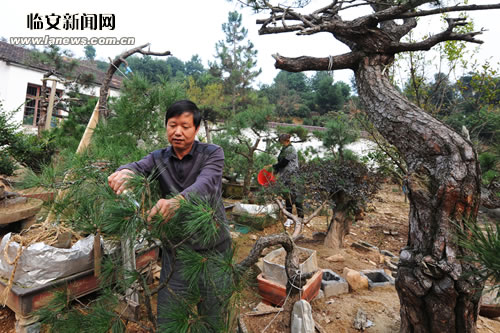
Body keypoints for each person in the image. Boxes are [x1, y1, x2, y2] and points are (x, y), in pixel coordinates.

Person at [108, 100, 231, 331]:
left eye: (185, 126)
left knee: (214, 318)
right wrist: (124, 172)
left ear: (196, 129)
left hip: (214, 251)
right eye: (172, 125)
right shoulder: (158, 158)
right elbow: (137, 166)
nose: (177, 132)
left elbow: (207, 183)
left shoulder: (213, 154)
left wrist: (178, 201)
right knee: (170, 319)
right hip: (176, 253)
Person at [272, 133, 304, 220]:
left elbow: (284, 162)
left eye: (282, 141)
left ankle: (301, 217)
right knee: (287, 196)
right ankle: (289, 218)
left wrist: (273, 166)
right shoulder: (284, 149)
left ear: (287, 141)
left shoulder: (291, 149)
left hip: (292, 176)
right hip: (285, 176)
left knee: (296, 196)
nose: (281, 143)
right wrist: (275, 171)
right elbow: (280, 161)